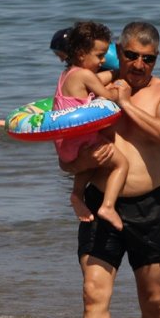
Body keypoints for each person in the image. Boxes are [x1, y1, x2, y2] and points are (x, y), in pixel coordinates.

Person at [60, 21, 160, 318]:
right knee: (93, 293)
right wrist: (85, 161)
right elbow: (66, 160)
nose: (139, 65)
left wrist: (125, 104)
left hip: (151, 207)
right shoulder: (95, 88)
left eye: (149, 59)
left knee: (153, 299)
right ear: (119, 51)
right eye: (131, 55)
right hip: (101, 203)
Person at [54, 21, 128, 231]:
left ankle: (77, 195)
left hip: (66, 144)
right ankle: (108, 206)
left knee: (91, 165)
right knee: (121, 164)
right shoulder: (85, 75)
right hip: (82, 139)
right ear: (81, 54)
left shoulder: (67, 75)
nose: (103, 60)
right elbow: (108, 97)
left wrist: (115, 73)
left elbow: (97, 79)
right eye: (99, 55)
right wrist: (120, 90)